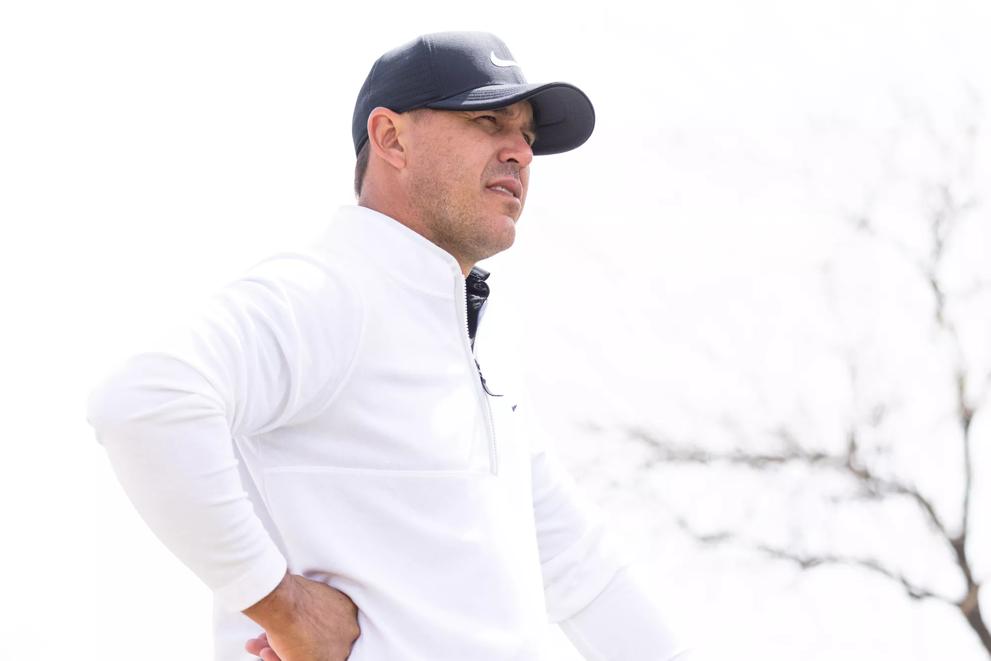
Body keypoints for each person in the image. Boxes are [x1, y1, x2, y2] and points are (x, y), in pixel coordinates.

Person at [87, 31, 691, 661]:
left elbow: (583, 574)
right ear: (391, 138)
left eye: (529, 138)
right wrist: (279, 603)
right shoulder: (329, 292)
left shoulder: (476, 356)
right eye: (489, 121)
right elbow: (143, 401)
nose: (520, 153)